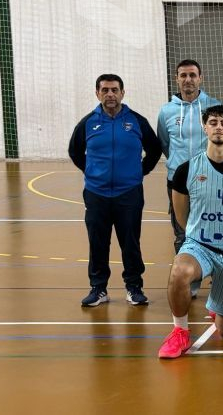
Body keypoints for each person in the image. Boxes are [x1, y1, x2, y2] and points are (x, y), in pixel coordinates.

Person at [158, 105, 223, 359]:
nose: (218, 127)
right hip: (200, 247)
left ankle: (217, 303)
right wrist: (198, 235)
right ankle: (180, 331)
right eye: (213, 122)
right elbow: (182, 216)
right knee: (179, 271)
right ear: (204, 128)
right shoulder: (186, 170)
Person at [68, 74, 162, 307]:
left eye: (114, 90)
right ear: (97, 93)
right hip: (96, 193)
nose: (110, 94)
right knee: (97, 242)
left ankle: (134, 287)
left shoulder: (137, 121)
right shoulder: (87, 123)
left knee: (130, 242)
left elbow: (154, 150)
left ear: (122, 93)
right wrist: (93, 172)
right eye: (105, 90)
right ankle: (98, 288)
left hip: (129, 193)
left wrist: (139, 172)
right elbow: (75, 152)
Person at [157, 59, 223, 255]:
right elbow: (164, 143)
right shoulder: (166, 111)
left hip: (209, 178)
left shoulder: (214, 107)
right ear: (176, 79)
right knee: (182, 234)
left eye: (192, 75)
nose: (188, 79)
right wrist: (179, 164)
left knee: (212, 230)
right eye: (183, 75)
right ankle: (185, 272)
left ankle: (212, 270)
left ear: (200, 78)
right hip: (177, 181)